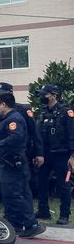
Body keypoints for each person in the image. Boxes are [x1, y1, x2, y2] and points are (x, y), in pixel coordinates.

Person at [0, 92, 45, 238]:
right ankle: (14, 223)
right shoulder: (6, 118)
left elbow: (15, 137)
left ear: (3, 104)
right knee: (11, 194)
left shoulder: (13, 119)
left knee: (17, 194)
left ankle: (30, 224)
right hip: (7, 161)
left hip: (13, 163)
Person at [0, 82, 44, 172]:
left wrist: (39, 153)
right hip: (2, 156)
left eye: (1, 93)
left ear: (10, 94)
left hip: (21, 155)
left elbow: (34, 132)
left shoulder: (23, 110)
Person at [35, 84, 74, 225]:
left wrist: (72, 156)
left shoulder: (66, 112)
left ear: (54, 95)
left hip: (61, 155)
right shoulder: (43, 112)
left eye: (45, 95)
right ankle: (43, 210)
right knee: (41, 183)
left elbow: (72, 135)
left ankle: (64, 215)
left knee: (63, 184)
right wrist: (38, 154)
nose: (42, 97)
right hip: (45, 154)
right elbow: (38, 136)